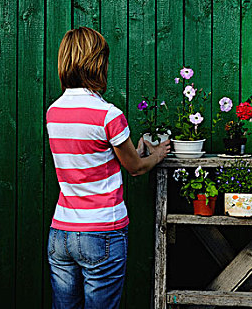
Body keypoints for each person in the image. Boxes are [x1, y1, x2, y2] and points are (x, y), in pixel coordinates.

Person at [46, 26, 170, 309]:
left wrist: (134, 148)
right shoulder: (109, 115)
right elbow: (136, 167)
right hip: (101, 231)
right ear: (97, 63)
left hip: (62, 233)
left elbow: (91, 158)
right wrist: (158, 154)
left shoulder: (54, 112)